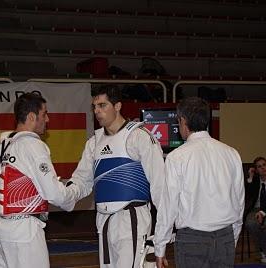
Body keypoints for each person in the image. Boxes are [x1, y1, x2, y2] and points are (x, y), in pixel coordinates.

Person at [65, 84, 165, 268]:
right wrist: (63, 195)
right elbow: (81, 180)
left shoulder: (138, 136)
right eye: (94, 107)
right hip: (103, 220)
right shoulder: (94, 142)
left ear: (117, 106)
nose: (97, 111)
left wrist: (163, 233)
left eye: (102, 105)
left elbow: (160, 184)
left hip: (131, 218)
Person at [0, 92, 77, 268]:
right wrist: (73, 194)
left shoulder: (2, 145)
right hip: (22, 231)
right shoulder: (32, 145)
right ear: (32, 116)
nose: (48, 119)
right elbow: (53, 192)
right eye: (44, 114)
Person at [154, 97, 245, 268]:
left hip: (192, 240)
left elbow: (168, 207)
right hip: (225, 237)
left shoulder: (176, 157)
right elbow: (239, 202)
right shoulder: (232, 153)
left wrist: (160, 247)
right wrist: (232, 237)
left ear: (183, 121)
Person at [244, 156, 266, 263]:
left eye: (264, 165)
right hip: (255, 209)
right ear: (256, 170)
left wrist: (263, 212)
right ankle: (263, 250)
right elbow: (247, 194)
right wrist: (250, 177)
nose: (263, 168)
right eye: (259, 167)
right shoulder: (255, 180)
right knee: (251, 224)